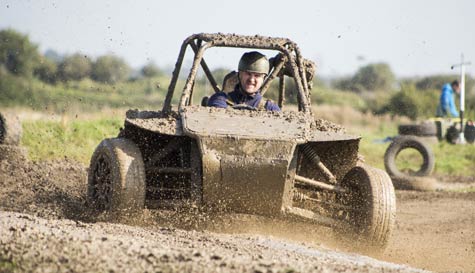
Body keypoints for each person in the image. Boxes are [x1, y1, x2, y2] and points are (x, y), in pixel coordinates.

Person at [207, 51, 281, 111]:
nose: (251, 80)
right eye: (248, 74)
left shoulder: (270, 108)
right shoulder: (220, 100)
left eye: (257, 75)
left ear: (263, 79)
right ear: (240, 75)